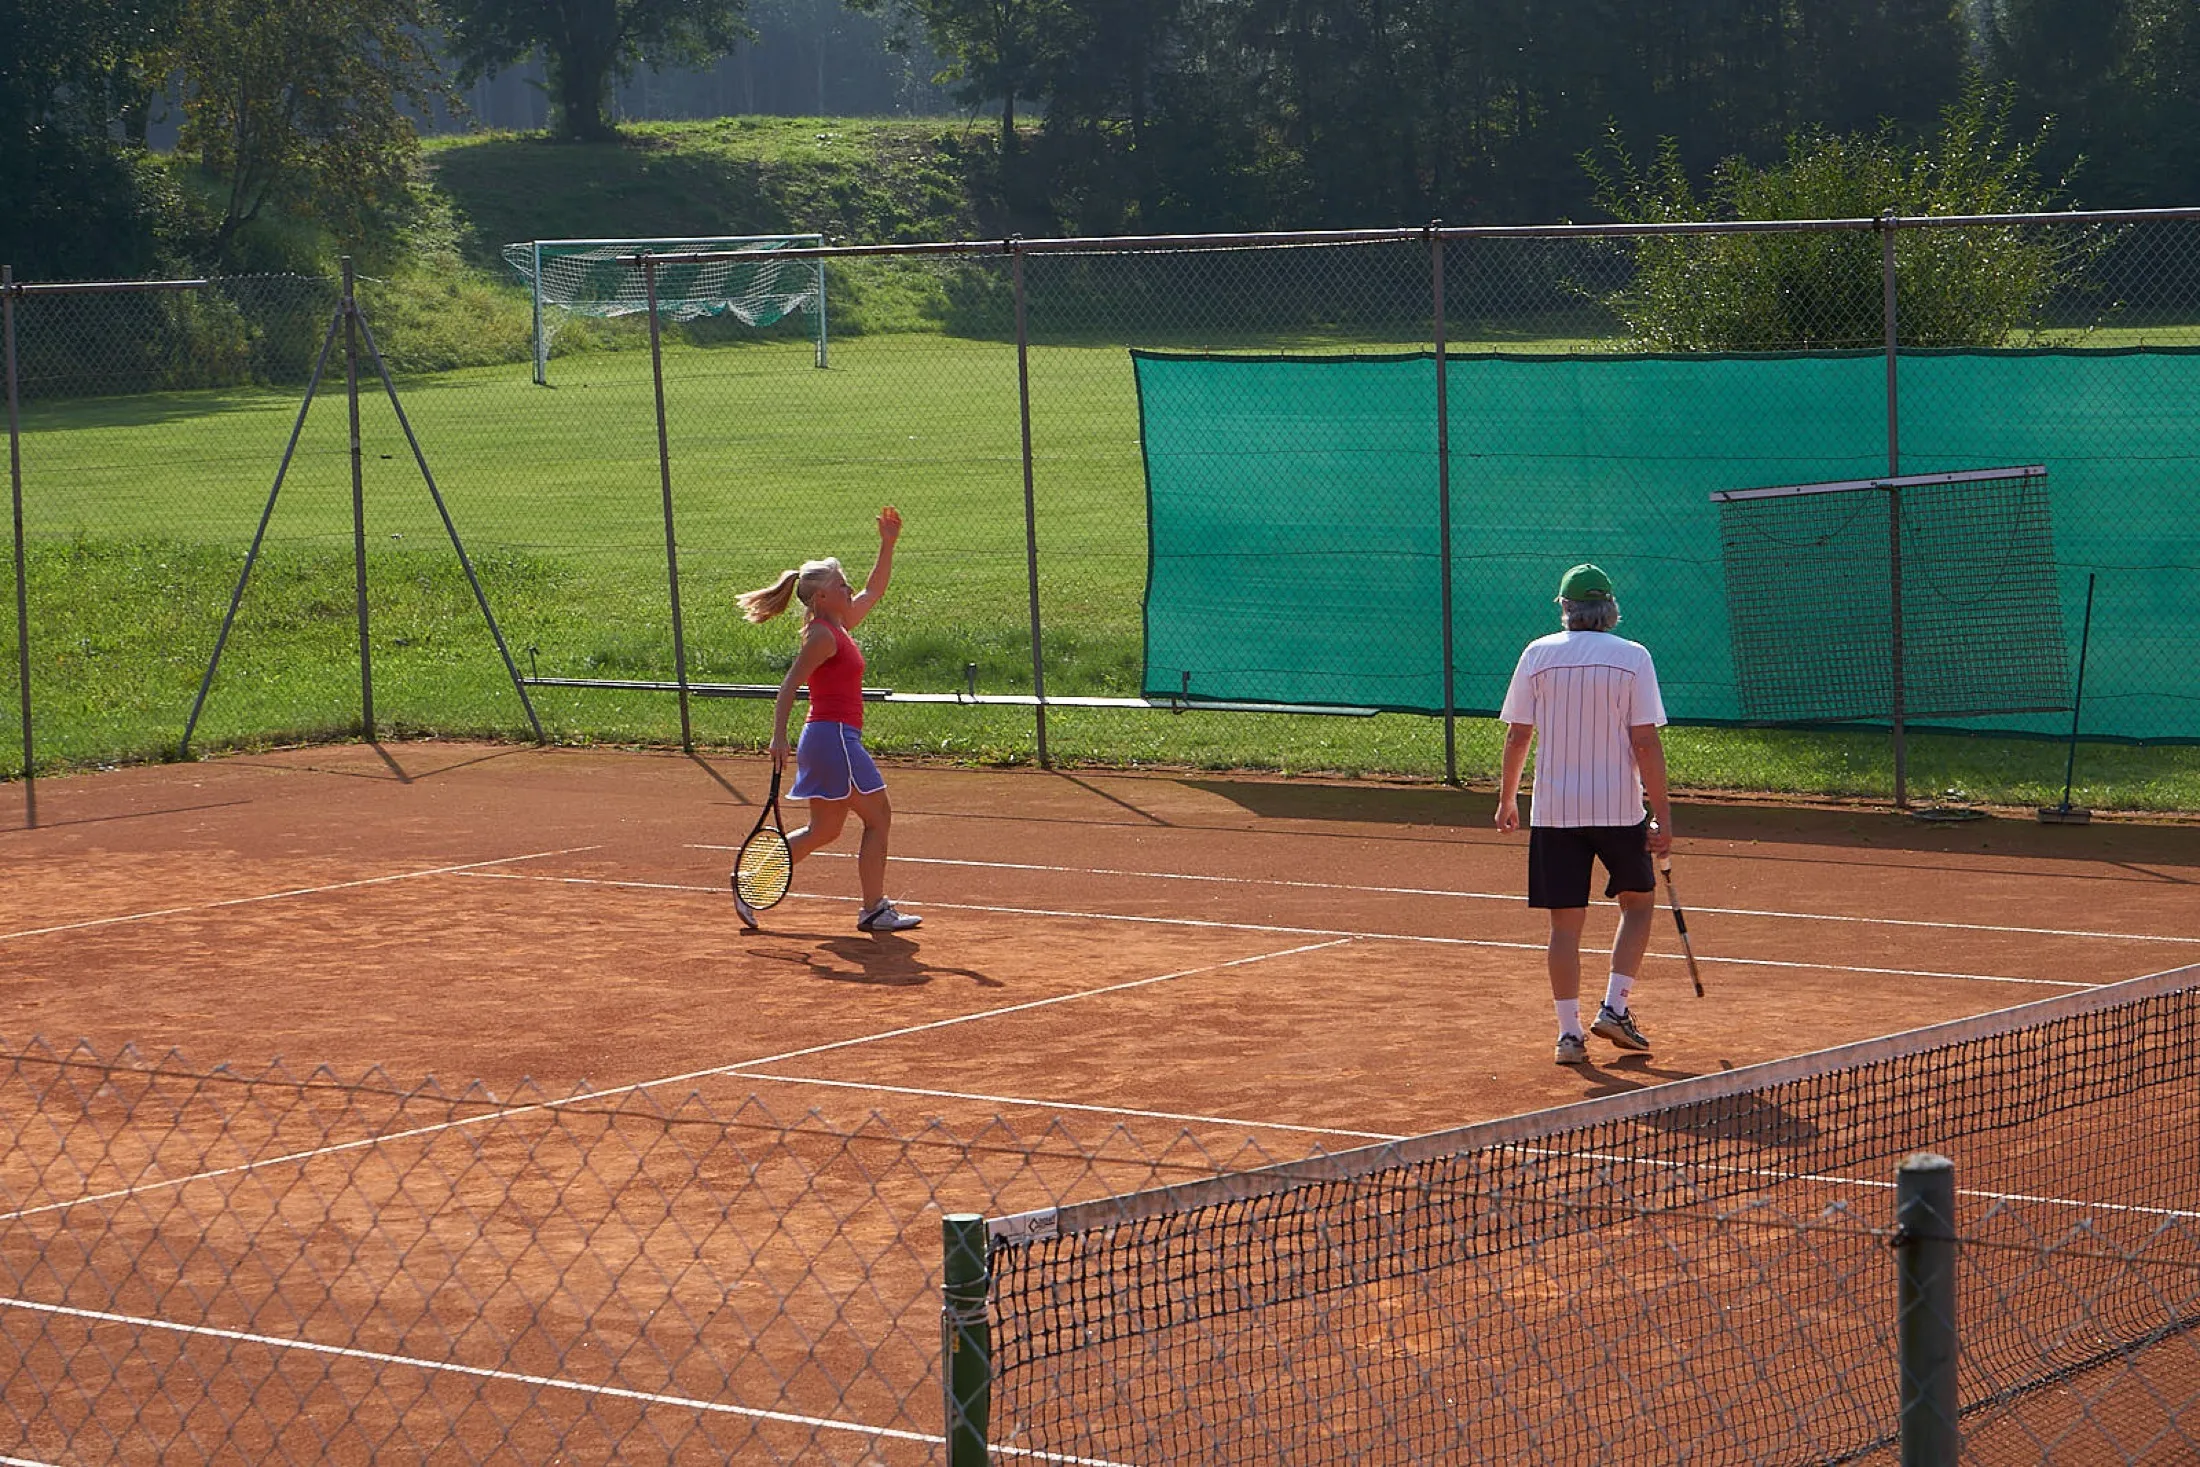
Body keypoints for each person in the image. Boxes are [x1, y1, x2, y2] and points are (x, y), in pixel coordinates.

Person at [1495, 563, 1674, 1065]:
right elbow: (1645, 740)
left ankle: (1570, 1035)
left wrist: (1509, 799)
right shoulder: (1633, 657)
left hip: (1554, 811)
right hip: (1619, 808)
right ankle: (1614, 1008)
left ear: (1566, 609)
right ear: (1610, 610)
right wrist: (1662, 815)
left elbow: (1517, 735)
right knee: (1638, 904)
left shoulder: (1537, 654)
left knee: (1564, 928)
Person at [731, 506, 922, 934]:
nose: (848, 587)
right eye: (840, 584)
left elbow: (874, 589)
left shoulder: (839, 623)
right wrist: (778, 738)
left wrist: (888, 543)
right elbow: (788, 686)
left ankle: (748, 884)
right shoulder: (821, 634)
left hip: (828, 738)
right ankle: (874, 908)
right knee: (879, 818)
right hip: (834, 738)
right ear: (821, 597)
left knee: (824, 830)